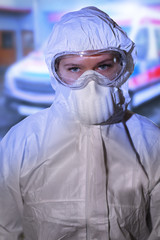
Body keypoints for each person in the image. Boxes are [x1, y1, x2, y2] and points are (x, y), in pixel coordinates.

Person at [0, 6, 160, 240]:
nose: (90, 81)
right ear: (56, 72)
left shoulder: (149, 140)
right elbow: (5, 227)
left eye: (103, 66)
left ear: (123, 67)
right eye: (74, 68)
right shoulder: (22, 141)